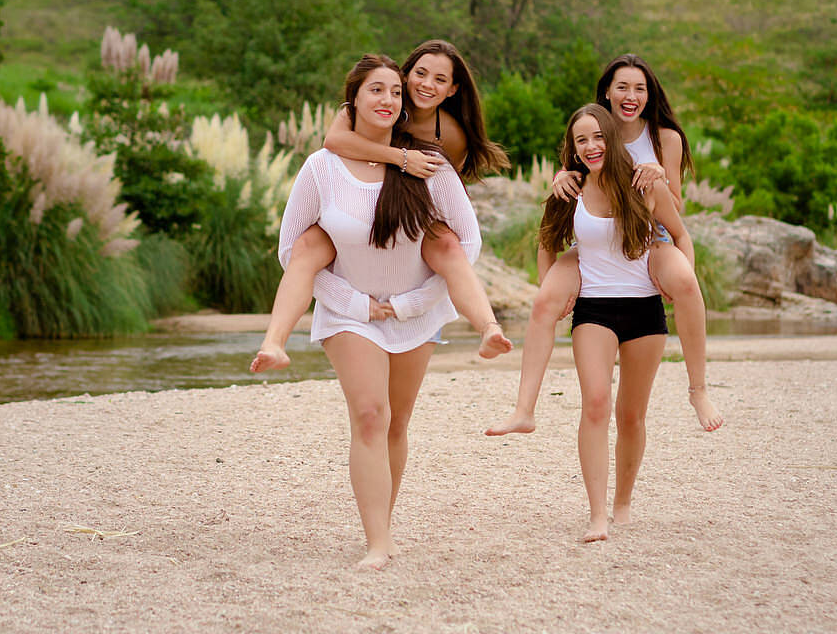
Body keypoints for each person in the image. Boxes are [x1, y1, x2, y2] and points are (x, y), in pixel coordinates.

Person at [251, 55, 491, 568]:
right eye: (376, 91)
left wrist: (409, 304)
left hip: (412, 313)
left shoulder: (427, 161)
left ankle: (382, 519)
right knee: (369, 415)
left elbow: (464, 242)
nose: (388, 100)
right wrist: (353, 303)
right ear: (353, 100)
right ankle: (378, 542)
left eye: (394, 93)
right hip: (348, 313)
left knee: (397, 423)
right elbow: (291, 249)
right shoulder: (322, 167)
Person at [486, 54, 721, 434]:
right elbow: (575, 173)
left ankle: (698, 389)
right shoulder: (594, 127)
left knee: (686, 283)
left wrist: (657, 175)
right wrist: (561, 175)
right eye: (622, 87)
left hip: (649, 238)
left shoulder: (665, 138)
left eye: (640, 88)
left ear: (650, 94)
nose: (631, 95)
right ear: (607, 93)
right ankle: (523, 409)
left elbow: (673, 208)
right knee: (545, 299)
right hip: (594, 240)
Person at [498, 104, 699, 542]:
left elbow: (679, 233)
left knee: (631, 416)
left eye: (597, 137)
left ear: (613, 137)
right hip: (594, 310)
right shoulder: (569, 189)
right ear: (571, 149)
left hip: (645, 307)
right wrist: (550, 286)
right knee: (595, 404)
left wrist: (679, 274)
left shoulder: (643, 184)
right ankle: (596, 516)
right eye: (580, 140)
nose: (591, 146)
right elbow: (547, 242)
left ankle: (622, 503)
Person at [251, 39, 511, 370]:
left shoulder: (450, 134)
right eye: (420, 73)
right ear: (406, 75)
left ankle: (488, 327)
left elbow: (443, 189)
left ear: (453, 90)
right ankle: (274, 342)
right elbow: (335, 141)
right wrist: (400, 158)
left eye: (440, 79)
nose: (427, 85)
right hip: (366, 189)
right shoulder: (376, 104)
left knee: (444, 242)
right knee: (313, 242)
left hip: (413, 203)